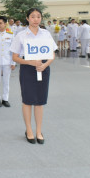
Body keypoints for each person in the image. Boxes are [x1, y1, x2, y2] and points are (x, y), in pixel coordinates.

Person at [10, 8, 57, 145]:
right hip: (27, 69)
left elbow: (52, 53)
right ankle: (29, 130)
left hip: (43, 68)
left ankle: (39, 131)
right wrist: (29, 62)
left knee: (40, 101)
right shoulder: (21, 35)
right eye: (32, 16)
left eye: (38, 16)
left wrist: (45, 64)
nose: (36, 19)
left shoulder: (46, 34)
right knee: (27, 100)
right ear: (27, 18)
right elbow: (14, 57)